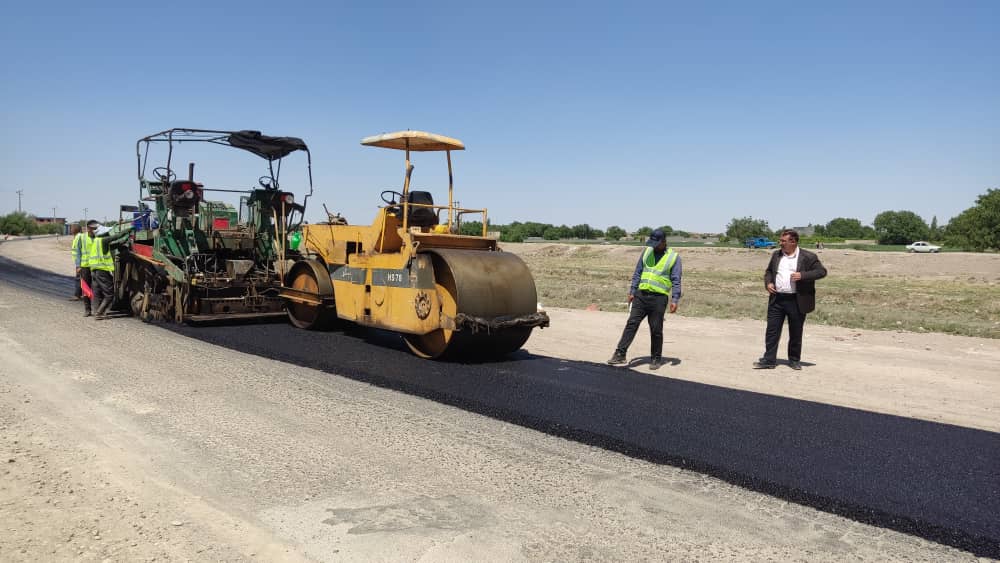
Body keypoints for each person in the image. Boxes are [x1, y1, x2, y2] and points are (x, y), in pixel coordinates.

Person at [607, 229, 682, 370]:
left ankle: (656, 358)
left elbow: (676, 280)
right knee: (631, 323)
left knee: (656, 329)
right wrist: (632, 291)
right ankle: (620, 354)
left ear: (664, 241)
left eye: (656, 243)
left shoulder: (674, 257)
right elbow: (638, 272)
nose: (653, 246)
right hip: (641, 295)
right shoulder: (647, 252)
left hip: (659, 298)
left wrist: (675, 299)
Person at [753, 229, 827, 370]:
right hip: (777, 299)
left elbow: (822, 272)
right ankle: (769, 360)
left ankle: (794, 360)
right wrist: (768, 283)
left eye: (783, 241)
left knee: (795, 331)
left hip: (796, 300)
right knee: (772, 330)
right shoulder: (776, 255)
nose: (780, 243)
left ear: (793, 242)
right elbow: (769, 272)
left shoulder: (808, 256)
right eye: (780, 240)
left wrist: (803, 275)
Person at [88, 224, 116, 320]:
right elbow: (115, 237)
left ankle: (96, 311)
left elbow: (111, 246)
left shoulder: (96, 241)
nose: (108, 234)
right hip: (102, 270)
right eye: (107, 233)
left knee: (97, 292)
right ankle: (99, 313)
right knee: (109, 294)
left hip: (94, 269)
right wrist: (128, 231)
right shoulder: (103, 240)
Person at [78, 220, 99, 316]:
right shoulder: (82, 237)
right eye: (92, 228)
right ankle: (87, 309)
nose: (93, 230)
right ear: (88, 228)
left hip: (96, 267)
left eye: (95, 228)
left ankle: (97, 309)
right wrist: (78, 265)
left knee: (97, 288)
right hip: (85, 266)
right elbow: (77, 252)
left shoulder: (99, 237)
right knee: (86, 288)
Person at [69, 223, 85, 300]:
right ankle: (82, 294)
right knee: (82, 278)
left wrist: (78, 265)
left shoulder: (79, 237)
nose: (70, 230)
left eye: (71, 228)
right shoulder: (77, 237)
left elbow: (79, 252)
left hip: (81, 262)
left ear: (75, 229)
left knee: (79, 278)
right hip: (80, 261)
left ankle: (77, 295)